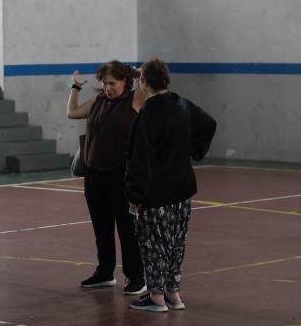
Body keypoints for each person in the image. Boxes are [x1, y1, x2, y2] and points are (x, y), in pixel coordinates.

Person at [125, 58, 216, 312]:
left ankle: (155, 297)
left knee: (153, 243)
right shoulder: (183, 105)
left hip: (157, 193)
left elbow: (140, 158)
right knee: (177, 242)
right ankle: (173, 293)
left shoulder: (149, 114)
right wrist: (191, 151)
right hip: (183, 189)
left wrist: (135, 195)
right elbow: (209, 124)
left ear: (143, 81)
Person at [67, 60, 148, 294]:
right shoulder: (99, 101)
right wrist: (75, 88)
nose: (107, 87)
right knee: (101, 228)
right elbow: (72, 113)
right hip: (94, 175)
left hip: (120, 176)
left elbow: (149, 80)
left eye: (112, 83)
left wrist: (136, 72)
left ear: (126, 82)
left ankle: (136, 277)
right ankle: (104, 272)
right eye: (104, 83)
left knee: (127, 229)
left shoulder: (135, 100)